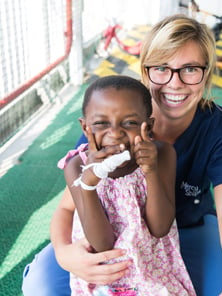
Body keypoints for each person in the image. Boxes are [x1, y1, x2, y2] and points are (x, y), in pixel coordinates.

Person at [22, 14, 222, 296]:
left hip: (187, 226)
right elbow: (67, 207)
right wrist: (64, 253)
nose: (175, 83)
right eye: (161, 68)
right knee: (40, 285)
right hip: (111, 233)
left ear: (206, 73)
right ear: (145, 72)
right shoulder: (109, 124)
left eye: (191, 69)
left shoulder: (219, 128)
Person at [57, 75, 196, 295]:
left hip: (153, 272)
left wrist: (150, 171)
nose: (115, 133)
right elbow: (102, 243)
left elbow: (160, 228)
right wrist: (88, 186)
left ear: (148, 126)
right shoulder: (76, 167)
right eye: (101, 123)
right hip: (104, 276)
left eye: (130, 123)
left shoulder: (162, 154)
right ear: (85, 127)